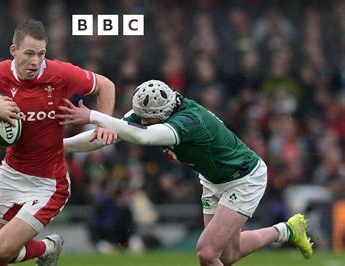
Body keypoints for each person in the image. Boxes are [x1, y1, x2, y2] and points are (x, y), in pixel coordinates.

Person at [59, 80, 313, 266]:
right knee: (228, 255)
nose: (142, 121)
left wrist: (93, 115)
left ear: (163, 113)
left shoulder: (189, 121)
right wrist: (59, 147)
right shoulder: (151, 112)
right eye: (141, 117)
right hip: (214, 179)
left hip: (243, 178)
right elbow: (101, 138)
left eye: (147, 119)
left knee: (206, 252)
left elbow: (143, 137)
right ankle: (287, 231)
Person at [0, 19, 115, 266]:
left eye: (41, 54)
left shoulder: (59, 74)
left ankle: (47, 247)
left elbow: (105, 85)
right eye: (29, 53)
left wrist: (103, 124)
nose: (35, 61)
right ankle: (44, 249)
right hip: (10, 173)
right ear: (14, 50)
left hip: (48, 183)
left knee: (2, 249)